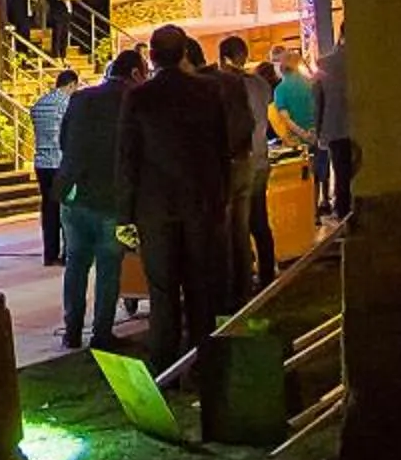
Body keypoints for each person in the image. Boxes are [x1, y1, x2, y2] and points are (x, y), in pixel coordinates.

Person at [118, 26, 248, 372]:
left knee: (163, 293)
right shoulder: (208, 91)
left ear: (152, 56)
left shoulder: (139, 97)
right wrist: (221, 196)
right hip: (201, 204)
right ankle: (205, 363)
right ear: (184, 54)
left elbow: (128, 157)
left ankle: (165, 366)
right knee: (201, 288)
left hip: (156, 208)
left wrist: (125, 214)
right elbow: (221, 148)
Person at [56, 46, 146, 350]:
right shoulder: (133, 101)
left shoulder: (81, 98)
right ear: (135, 73)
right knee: (109, 267)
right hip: (111, 197)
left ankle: (71, 331)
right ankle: (101, 333)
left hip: (75, 194)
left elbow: (63, 140)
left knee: (76, 263)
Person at [215, 36, 277, 301]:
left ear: (223, 58)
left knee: (236, 228)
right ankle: (267, 276)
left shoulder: (227, 86)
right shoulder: (260, 84)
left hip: (240, 162)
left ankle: (240, 284)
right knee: (259, 221)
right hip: (261, 159)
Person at [270, 42, 327, 221]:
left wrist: (303, 134)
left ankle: (308, 214)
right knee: (318, 174)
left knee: (303, 178)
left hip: (297, 141)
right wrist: (313, 132)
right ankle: (320, 207)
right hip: (317, 134)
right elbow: (319, 107)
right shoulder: (310, 84)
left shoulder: (280, 90)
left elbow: (286, 118)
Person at [29, 67, 77, 265]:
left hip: (41, 163)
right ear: (71, 85)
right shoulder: (67, 103)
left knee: (48, 208)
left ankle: (50, 253)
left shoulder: (39, 104)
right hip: (60, 162)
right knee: (65, 208)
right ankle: (67, 253)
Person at [319, 34, 356, 220]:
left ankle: (344, 213)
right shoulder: (364, 60)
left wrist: (320, 131)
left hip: (336, 127)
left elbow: (318, 100)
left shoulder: (324, 63)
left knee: (341, 175)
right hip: (361, 125)